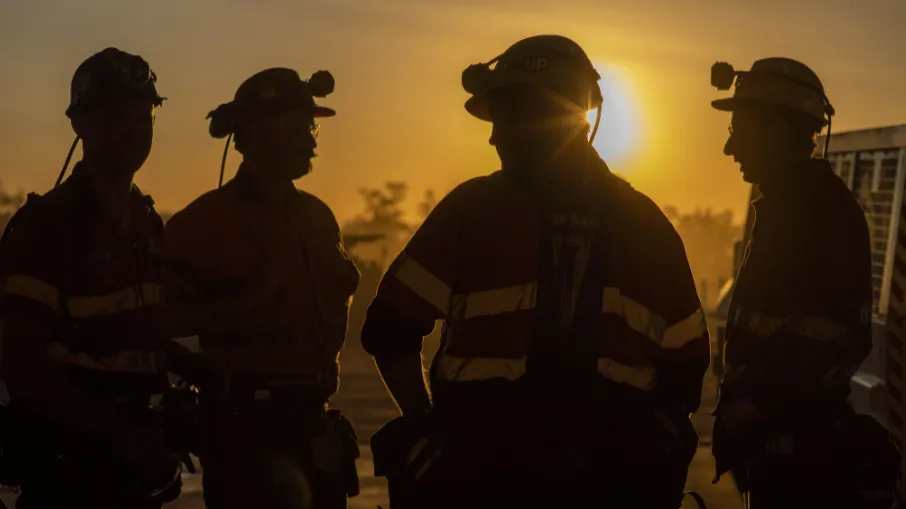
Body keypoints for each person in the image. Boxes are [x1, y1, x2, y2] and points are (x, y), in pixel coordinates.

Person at [363, 35, 711, 509]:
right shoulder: (648, 227)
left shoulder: (470, 212)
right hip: (612, 479)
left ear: (548, 118)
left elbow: (389, 328)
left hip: (482, 475)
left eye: (505, 117)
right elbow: (686, 372)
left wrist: (427, 424)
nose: (493, 136)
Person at [0, 47, 231, 509]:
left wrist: (199, 375)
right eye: (115, 116)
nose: (133, 129)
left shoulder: (146, 223)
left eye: (143, 115)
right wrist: (116, 431)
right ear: (78, 124)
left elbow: (127, 334)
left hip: (132, 473)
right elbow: (22, 365)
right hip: (71, 475)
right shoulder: (47, 226)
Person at [162, 67, 361, 509]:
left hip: (314, 422)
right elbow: (154, 325)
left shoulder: (317, 217)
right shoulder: (201, 226)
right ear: (251, 135)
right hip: (244, 433)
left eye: (311, 127)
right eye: (296, 128)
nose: (311, 141)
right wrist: (246, 303)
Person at [709, 58, 901, 508]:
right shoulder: (788, 208)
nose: (729, 147)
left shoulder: (817, 215)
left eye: (740, 128)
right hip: (781, 455)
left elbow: (833, 338)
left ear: (775, 129)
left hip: (800, 466)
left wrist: (755, 408)